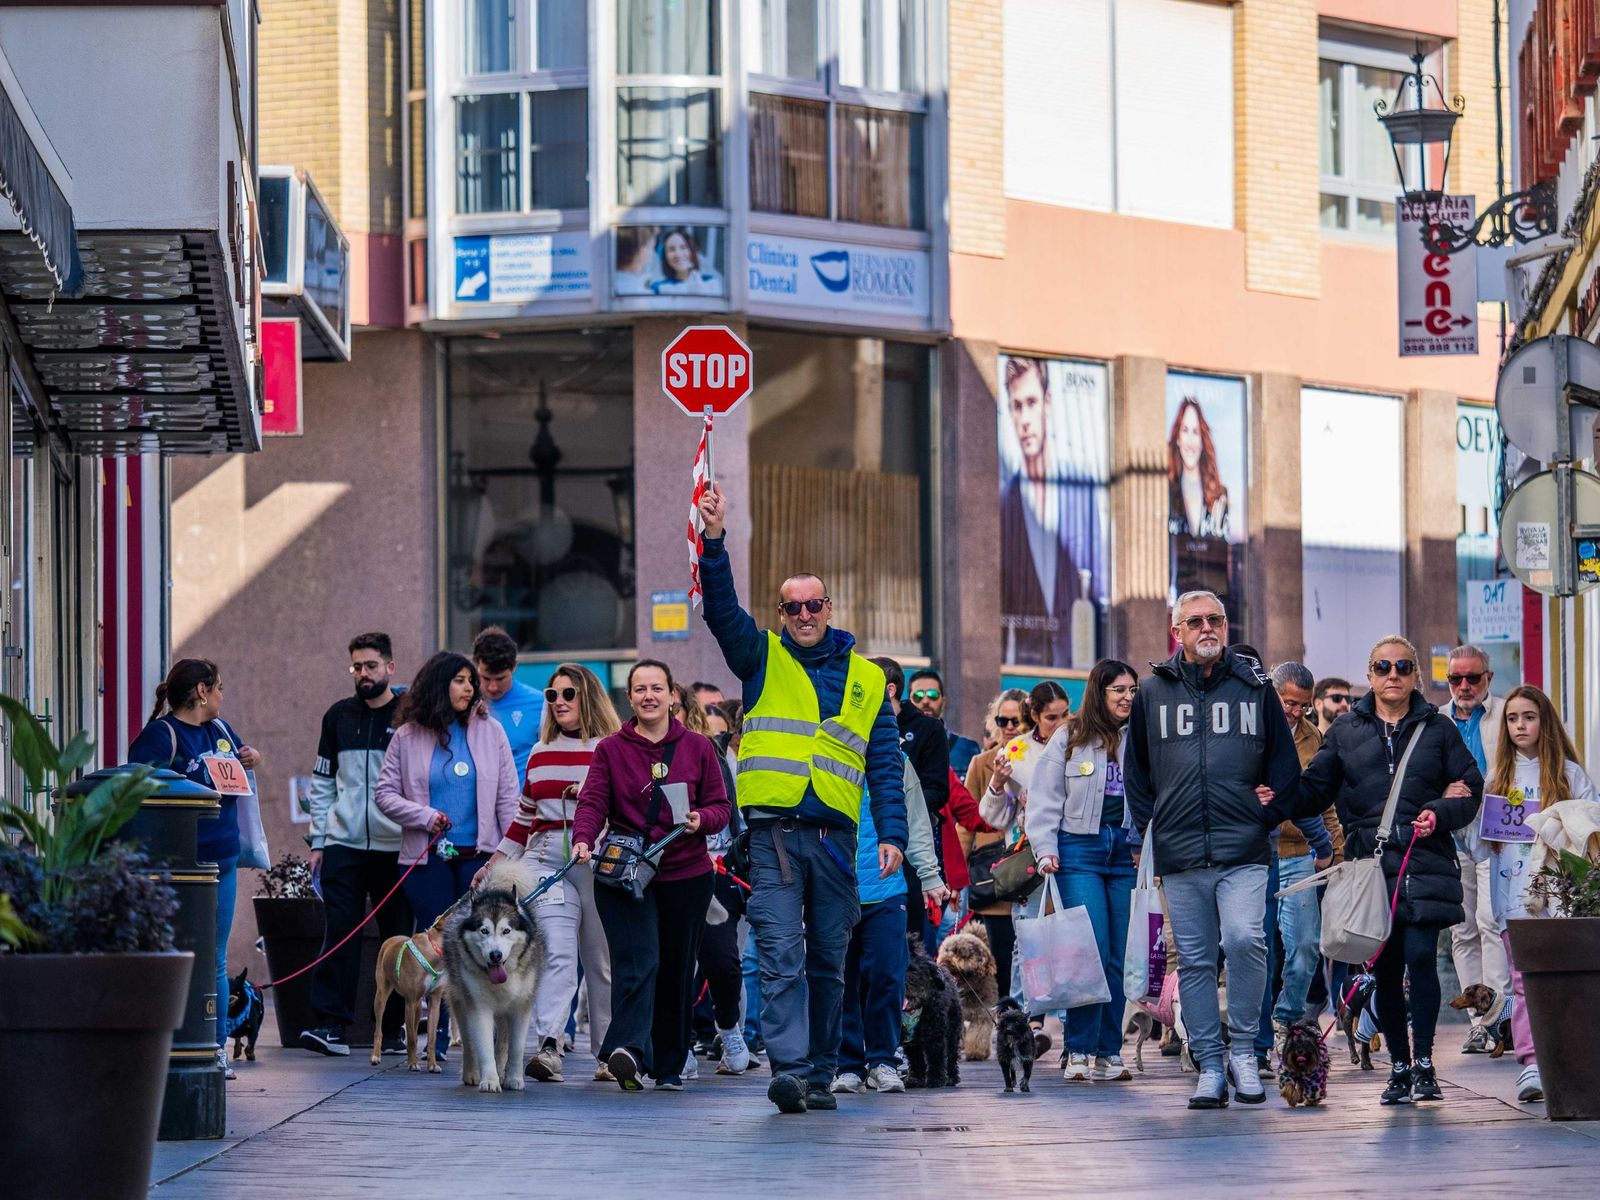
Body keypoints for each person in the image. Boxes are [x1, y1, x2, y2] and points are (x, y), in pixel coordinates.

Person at [696, 481, 907, 1115]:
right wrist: (714, 540)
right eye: (793, 608)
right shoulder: (760, 656)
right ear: (783, 614)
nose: (805, 615)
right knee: (780, 951)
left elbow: (885, 765)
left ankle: (820, 1072)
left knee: (828, 961)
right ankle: (789, 1071)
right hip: (775, 838)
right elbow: (721, 611)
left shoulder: (868, 680)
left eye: (814, 605)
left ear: (829, 607)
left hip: (837, 842)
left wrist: (893, 834)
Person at [1123, 591, 1309, 1110]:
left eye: (1216, 620)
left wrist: (1265, 815)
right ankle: (1208, 1063)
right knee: (1197, 961)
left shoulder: (1255, 688)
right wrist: (1153, 830)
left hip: (1243, 848)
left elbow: (1285, 766)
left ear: (1226, 626)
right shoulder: (1151, 693)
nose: (1207, 628)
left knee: (1247, 940)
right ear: (1176, 631)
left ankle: (1244, 1051)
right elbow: (1137, 774)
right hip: (1180, 852)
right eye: (1195, 622)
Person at [1295, 635, 1482, 1106]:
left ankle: (1425, 1063)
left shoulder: (1438, 729)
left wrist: (1439, 811)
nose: (1392, 674)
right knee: (1386, 967)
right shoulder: (1345, 730)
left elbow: (1470, 787)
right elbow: (1314, 791)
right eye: (1382, 667)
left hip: (1423, 860)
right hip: (1371, 867)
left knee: (1421, 956)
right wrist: (1271, 794)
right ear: (1370, 675)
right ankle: (1399, 1066)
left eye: (1402, 667)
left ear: (1416, 675)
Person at [572, 660, 731, 1092]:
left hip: (686, 876)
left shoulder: (698, 747)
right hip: (625, 876)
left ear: (672, 695)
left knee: (677, 971)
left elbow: (721, 808)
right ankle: (627, 1049)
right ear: (629, 697)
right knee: (638, 961)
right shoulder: (611, 749)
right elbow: (592, 802)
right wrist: (583, 839)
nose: (649, 696)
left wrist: (701, 819)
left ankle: (668, 1066)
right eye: (640, 689)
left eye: (657, 688)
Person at [474, 662, 619, 1083]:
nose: (558, 702)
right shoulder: (539, 752)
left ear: (588, 696)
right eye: (552, 695)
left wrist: (592, 797)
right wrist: (492, 864)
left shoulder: (610, 748)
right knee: (556, 951)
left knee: (601, 961)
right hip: (545, 862)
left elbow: (627, 807)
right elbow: (523, 820)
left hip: (596, 860)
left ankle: (607, 1053)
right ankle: (550, 1045)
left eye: (568, 694)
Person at [375, 652, 521, 1055]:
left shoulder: (491, 731)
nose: (469, 688)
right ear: (438, 685)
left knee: (478, 945)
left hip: (480, 858)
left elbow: (509, 797)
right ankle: (437, 1038)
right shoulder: (407, 736)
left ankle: (479, 1037)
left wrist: (508, 853)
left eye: (471, 681)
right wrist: (425, 816)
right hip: (427, 860)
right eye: (459, 680)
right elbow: (384, 794)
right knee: (439, 947)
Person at [128, 658, 262, 1079]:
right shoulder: (161, 735)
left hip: (222, 859)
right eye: (219, 687)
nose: (223, 695)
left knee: (215, 958)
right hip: (177, 863)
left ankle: (214, 1046)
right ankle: (168, 1043)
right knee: (173, 953)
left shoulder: (220, 730)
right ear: (202, 691)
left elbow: (241, 760)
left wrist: (252, 757)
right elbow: (137, 787)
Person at [1482, 685, 1597, 1103]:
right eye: (1512, 718)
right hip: (1512, 898)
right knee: (1523, 980)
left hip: (1563, 898)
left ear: (1544, 721)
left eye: (1528, 717)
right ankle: (1531, 1062)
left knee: (1567, 980)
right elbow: (1479, 845)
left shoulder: (1570, 775)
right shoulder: (1497, 779)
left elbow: (1591, 834)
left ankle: (1568, 1059)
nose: (1520, 726)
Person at [299, 633, 411, 1058]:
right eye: (356, 667)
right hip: (343, 844)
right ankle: (331, 1026)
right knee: (340, 931)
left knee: (398, 936)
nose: (363, 674)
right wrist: (319, 840)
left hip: (394, 844)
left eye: (371, 665)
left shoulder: (408, 715)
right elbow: (323, 783)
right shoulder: (337, 716)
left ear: (390, 667)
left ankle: (396, 1030)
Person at [1029, 659, 1139, 1083]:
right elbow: (1044, 797)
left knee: (1117, 956)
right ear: (1100, 692)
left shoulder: (1140, 736)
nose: (1127, 697)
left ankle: (1109, 1052)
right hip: (1078, 848)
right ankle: (1077, 1049)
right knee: (1087, 951)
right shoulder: (1070, 736)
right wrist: (1045, 850)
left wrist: (1146, 846)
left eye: (1132, 690)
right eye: (1119, 690)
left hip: (1125, 850)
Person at [834, 757, 948, 1096]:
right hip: (835, 886)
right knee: (841, 979)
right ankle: (848, 1065)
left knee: (887, 975)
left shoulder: (896, 759)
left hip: (886, 887)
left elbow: (916, 818)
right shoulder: (827, 747)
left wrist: (929, 875)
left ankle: (883, 1060)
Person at [979, 680, 1071, 1039]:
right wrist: (998, 785)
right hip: (1028, 858)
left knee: (1069, 936)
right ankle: (1021, 1018)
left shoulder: (1079, 742)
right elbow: (995, 817)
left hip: (1072, 850)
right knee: (1028, 939)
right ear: (1034, 715)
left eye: (1065, 715)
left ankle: (1066, 1018)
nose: (1060, 724)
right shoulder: (1016, 752)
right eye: (1051, 717)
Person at [1438, 643, 1510, 1056]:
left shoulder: (1505, 714)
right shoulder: (1436, 719)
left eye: (1473, 677)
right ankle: (1478, 1026)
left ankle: (1499, 1017)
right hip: (1452, 835)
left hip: (1495, 832)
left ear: (1488, 678)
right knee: (1462, 929)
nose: (1464, 685)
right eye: (1456, 678)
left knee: (1490, 922)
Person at [1266, 662, 1340, 1042]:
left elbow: (1323, 801)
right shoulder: (1256, 728)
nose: (1296, 712)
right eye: (1289, 703)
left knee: (1307, 945)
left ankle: (1287, 1017)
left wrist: (1335, 853)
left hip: (1299, 852)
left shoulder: (1314, 738)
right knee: (1258, 947)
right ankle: (1258, 1027)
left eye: (1303, 706)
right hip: (1258, 853)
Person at [999, 356, 1085, 666]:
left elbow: (1102, 596)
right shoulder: (1002, 505)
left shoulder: (1081, 492)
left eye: (1031, 402)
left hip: (1079, 663)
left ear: (1047, 403)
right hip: (1025, 663)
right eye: (1016, 406)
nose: (1024, 418)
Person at [873, 656, 949, 943]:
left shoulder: (928, 729)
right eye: (920, 694)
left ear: (889, 690)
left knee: (910, 939)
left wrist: (896, 808)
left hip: (908, 842)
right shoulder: (858, 728)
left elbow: (937, 790)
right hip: (865, 844)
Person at [961, 689, 1030, 999]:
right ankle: (1006, 1017)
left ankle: (1031, 1018)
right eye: (1003, 721)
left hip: (1032, 871)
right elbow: (966, 822)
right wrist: (957, 878)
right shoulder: (981, 763)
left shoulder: (1043, 758)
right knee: (1000, 957)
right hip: (993, 875)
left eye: (1016, 720)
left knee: (1032, 954)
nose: (1009, 727)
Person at [473, 626, 543, 781]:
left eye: (500, 679)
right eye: (486, 678)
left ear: (514, 667)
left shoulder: (539, 704)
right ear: (476, 666)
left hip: (521, 795)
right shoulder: (466, 704)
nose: (492, 687)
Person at [1167, 397, 1231, 539]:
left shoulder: (1219, 495)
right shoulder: (1167, 492)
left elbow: (1224, 548)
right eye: (1185, 430)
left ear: (1202, 441)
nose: (1190, 441)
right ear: (1178, 438)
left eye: (1195, 432)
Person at [908, 667, 982, 777]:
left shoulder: (967, 748)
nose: (925, 701)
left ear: (943, 702)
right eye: (918, 696)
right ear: (909, 702)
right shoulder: (898, 746)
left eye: (933, 695)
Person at [650, 228, 724, 296]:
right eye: (671, 249)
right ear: (665, 256)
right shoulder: (659, 288)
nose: (678, 254)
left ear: (692, 251)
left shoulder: (711, 282)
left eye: (683, 247)